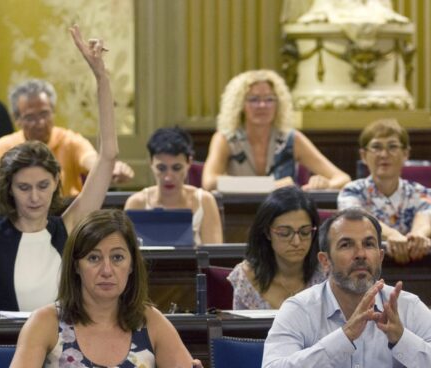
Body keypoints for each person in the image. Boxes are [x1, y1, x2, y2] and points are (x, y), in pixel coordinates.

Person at [0, 25, 119, 314]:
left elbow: (108, 154)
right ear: (9, 188)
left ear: (57, 182)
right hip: (12, 346)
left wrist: (101, 77)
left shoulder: (69, 225)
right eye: (24, 187)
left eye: (43, 186)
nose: (35, 197)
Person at [262, 207, 431, 367]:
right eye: (346, 245)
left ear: (380, 257)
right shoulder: (299, 309)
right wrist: (344, 337)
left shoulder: (407, 307)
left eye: (369, 244)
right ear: (325, 261)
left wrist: (402, 339)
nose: (361, 254)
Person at [10, 209, 196, 367]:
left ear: (131, 265)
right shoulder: (45, 322)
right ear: (76, 266)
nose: (107, 271)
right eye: (93, 258)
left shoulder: (151, 321)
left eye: (117, 258)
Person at [202, 70, 351, 191]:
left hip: (284, 220)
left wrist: (324, 184)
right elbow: (208, 182)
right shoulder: (225, 138)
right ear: (240, 105)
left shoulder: (292, 138)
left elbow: (343, 179)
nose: (262, 105)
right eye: (253, 99)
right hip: (239, 216)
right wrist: (270, 186)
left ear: (278, 104)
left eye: (269, 99)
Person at [0, 77, 134, 197]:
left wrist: (111, 169)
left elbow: (91, 161)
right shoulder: (3, 147)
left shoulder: (70, 141)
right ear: (18, 120)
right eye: (30, 117)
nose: (40, 123)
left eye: (44, 114)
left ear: (53, 112)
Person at [337, 118, 431, 264]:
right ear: (363, 155)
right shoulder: (351, 191)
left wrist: (418, 237)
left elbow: (424, 222)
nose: (384, 154)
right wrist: (392, 235)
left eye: (392, 146)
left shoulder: (419, 192)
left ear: (406, 154)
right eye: (376, 147)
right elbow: (361, 221)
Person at [228, 186, 326, 309]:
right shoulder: (246, 277)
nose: (296, 242)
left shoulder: (327, 273)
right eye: (285, 233)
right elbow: (238, 328)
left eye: (305, 232)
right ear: (268, 233)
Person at [124, 127, 223, 245]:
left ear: (189, 163)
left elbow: (214, 257)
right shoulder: (136, 204)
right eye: (161, 168)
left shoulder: (204, 201)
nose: (168, 177)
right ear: (151, 163)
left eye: (176, 168)